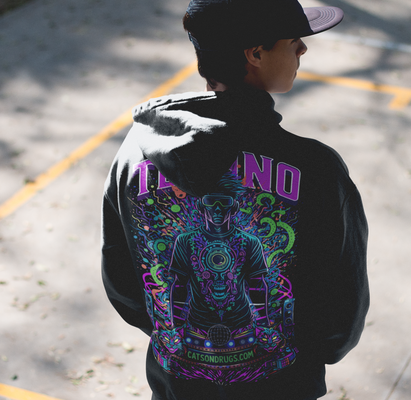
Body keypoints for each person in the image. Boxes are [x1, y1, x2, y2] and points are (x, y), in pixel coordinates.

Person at [101, 1, 369, 399]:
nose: (303, 49)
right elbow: (341, 298)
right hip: (282, 384)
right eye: (293, 41)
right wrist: (311, 357)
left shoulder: (134, 155)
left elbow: (122, 277)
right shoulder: (315, 167)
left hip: (177, 384)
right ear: (255, 53)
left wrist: (181, 342)